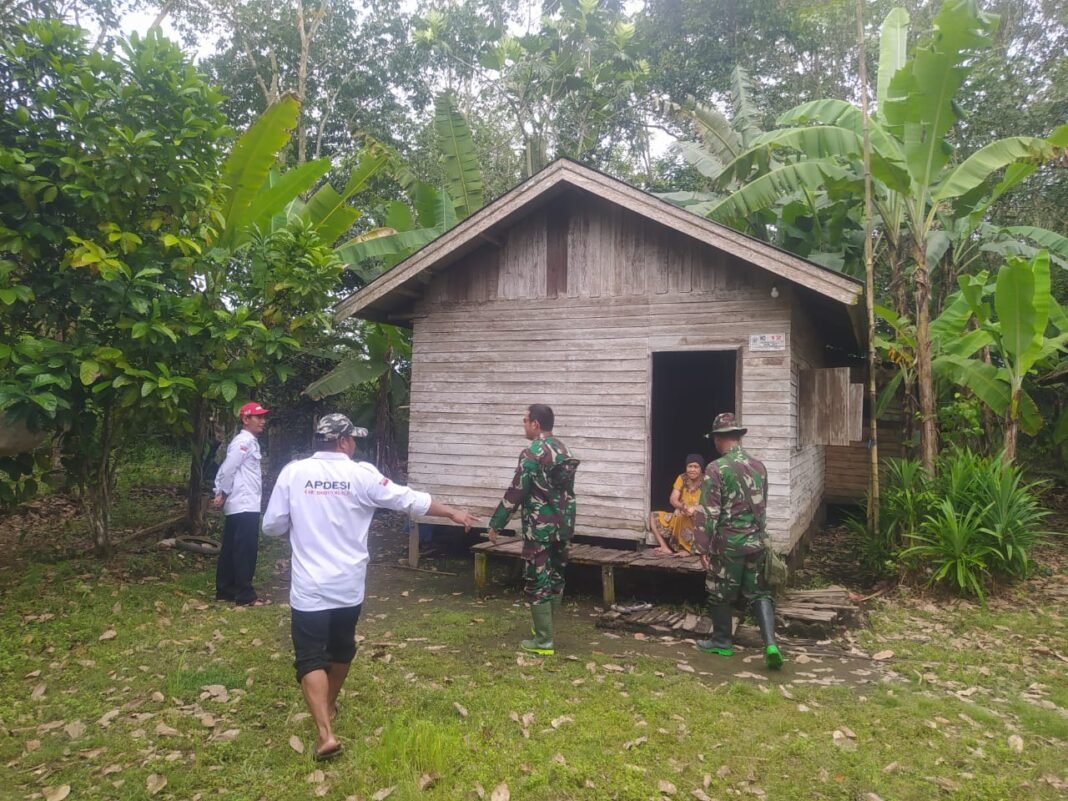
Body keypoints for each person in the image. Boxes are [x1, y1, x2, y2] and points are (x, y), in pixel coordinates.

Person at [262, 413, 477, 761]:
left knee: (310, 656)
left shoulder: (294, 473)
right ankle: (329, 706)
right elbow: (409, 499)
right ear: (343, 441)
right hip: (348, 584)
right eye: (353, 439)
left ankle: (325, 733)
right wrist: (451, 513)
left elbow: (272, 525)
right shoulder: (361, 474)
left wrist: (299, 524)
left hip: (309, 585)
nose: (354, 445)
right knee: (342, 648)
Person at [692, 413, 783, 669]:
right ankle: (770, 644)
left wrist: (702, 547)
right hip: (755, 542)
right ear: (738, 437)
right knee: (760, 593)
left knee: (719, 593)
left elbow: (708, 512)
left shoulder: (716, 468)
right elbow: (762, 506)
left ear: (718, 439)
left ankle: (722, 641)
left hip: (728, 545)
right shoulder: (759, 466)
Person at [487, 404, 579, 656]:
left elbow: (517, 490)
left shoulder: (532, 453)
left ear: (536, 424)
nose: (524, 424)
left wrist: (496, 524)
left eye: (525, 420)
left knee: (538, 579)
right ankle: (546, 629)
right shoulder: (564, 450)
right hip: (563, 525)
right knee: (556, 577)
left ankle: (543, 641)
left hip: (539, 527)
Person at [212, 401, 270, 606]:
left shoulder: (249, 441)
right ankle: (245, 594)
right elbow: (228, 468)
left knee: (231, 548)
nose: (262, 421)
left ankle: (225, 589)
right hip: (244, 503)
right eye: (258, 417)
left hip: (242, 503)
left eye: (263, 417)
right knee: (245, 549)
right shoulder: (243, 442)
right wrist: (222, 491)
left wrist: (223, 492)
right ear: (245, 419)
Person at [649, 454, 705, 555]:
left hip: (698, 518)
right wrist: (682, 507)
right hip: (682, 513)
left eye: (696, 467)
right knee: (652, 516)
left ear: (701, 469)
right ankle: (664, 547)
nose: (692, 470)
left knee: (687, 516)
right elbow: (673, 499)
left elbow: (710, 503)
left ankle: (687, 549)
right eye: (690, 466)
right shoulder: (682, 478)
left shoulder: (707, 481)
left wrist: (695, 508)